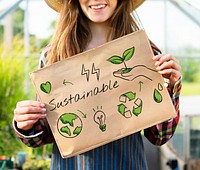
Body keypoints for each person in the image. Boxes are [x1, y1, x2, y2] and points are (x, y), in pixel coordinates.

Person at [13, 0, 182, 169]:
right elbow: (47, 133)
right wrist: (26, 124)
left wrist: (171, 88)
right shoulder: (53, 55)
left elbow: (159, 136)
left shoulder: (145, 52)